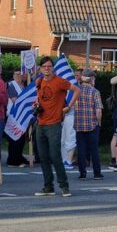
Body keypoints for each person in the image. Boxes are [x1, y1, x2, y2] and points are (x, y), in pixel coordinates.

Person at [33, 56, 80, 197]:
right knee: (43, 157)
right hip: (40, 123)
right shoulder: (39, 81)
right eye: (44, 66)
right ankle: (48, 187)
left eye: (49, 66)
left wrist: (69, 107)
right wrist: (36, 104)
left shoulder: (59, 81)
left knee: (55, 155)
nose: (47, 69)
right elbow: (39, 98)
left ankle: (64, 186)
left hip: (54, 124)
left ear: (53, 68)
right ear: (40, 68)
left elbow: (76, 90)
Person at [74, 69, 103, 180]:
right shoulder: (95, 91)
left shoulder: (76, 90)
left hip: (79, 125)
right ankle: (97, 173)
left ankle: (82, 173)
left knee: (81, 150)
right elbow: (98, 110)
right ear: (91, 79)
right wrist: (99, 122)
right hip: (92, 124)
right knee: (94, 149)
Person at [5, 70, 29, 167]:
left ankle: (18, 157)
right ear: (13, 75)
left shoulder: (23, 85)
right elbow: (15, 100)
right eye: (17, 74)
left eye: (20, 74)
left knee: (21, 139)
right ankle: (13, 160)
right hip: (13, 115)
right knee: (14, 139)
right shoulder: (11, 85)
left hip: (21, 115)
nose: (19, 76)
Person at [60, 68, 80, 170]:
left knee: (71, 138)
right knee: (63, 139)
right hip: (66, 116)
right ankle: (64, 159)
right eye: (75, 75)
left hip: (73, 115)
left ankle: (68, 160)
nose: (76, 77)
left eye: (78, 75)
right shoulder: (70, 88)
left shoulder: (79, 88)